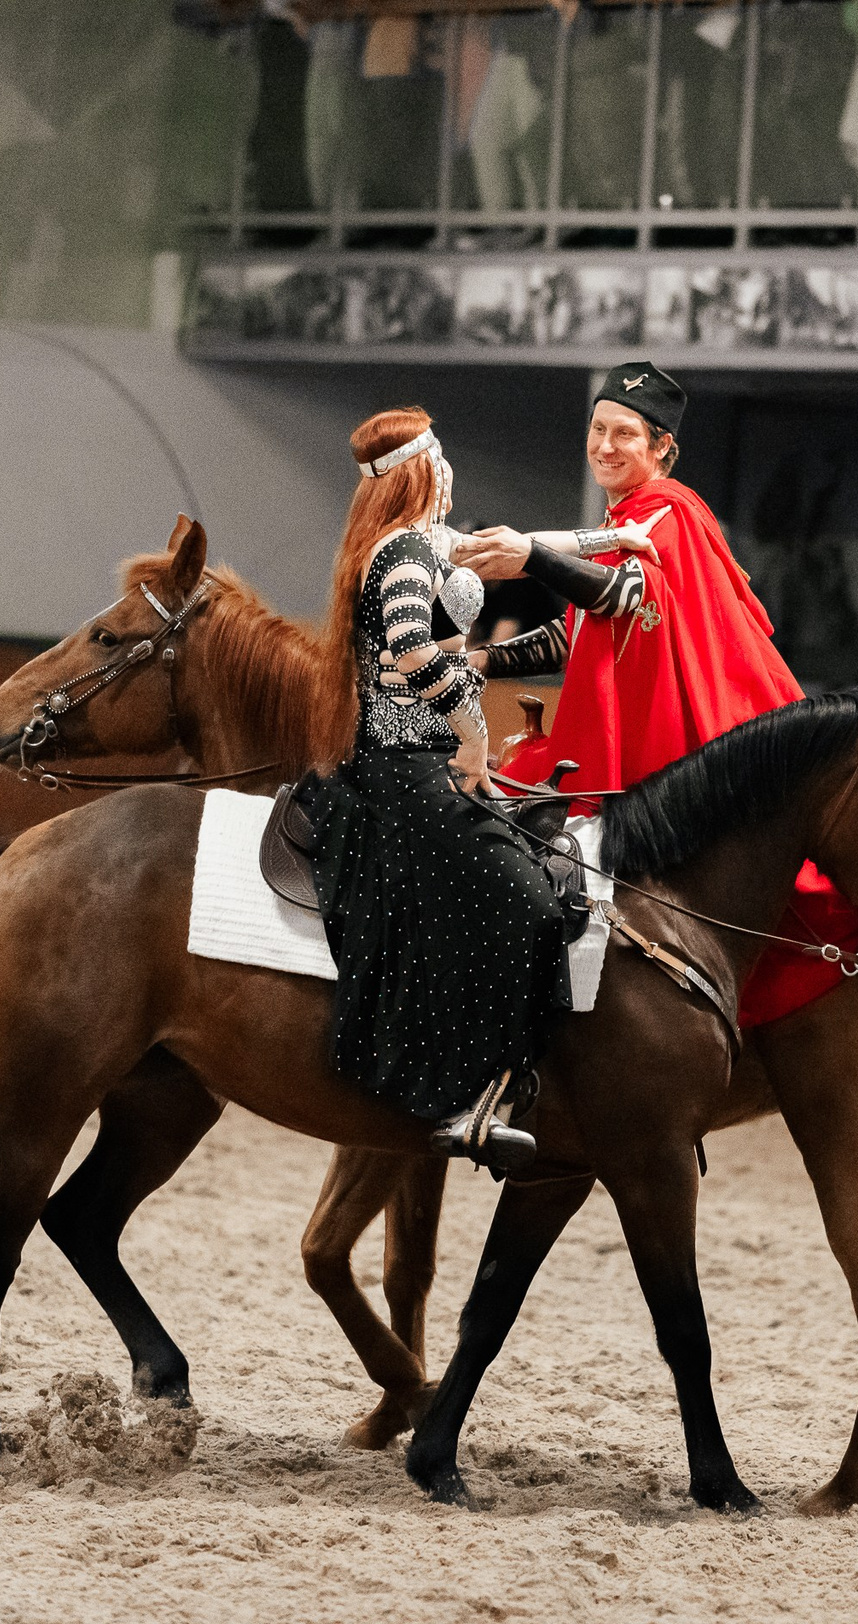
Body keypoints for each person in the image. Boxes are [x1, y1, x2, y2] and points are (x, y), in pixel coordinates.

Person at [460, 359, 858, 1030]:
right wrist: (480, 661)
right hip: (608, 741)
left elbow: (619, 596)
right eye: (597, 430)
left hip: (661, 759)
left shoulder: (668, 516)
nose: (605, 446)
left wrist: (530, 554)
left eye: (625, 434)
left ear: (662, 449)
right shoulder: (630, 521)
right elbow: (577, 633)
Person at [305, 407, 575, 1166]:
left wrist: (613, 540)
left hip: (424, 759)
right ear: (424, 470)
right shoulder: (403, 555)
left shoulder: (426, 542)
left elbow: (514, 548)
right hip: (406, 765)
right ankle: (468, 1098)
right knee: (525, 902)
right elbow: (416, 655)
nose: (453, 468)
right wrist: (474, 736)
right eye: (442, 456)